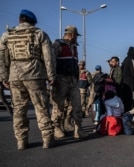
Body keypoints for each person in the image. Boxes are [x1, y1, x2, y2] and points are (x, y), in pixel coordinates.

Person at [0, 9, 56, 149]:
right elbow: (49, 57)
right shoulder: (39, 33)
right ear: (32, 21)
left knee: (19, 109)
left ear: (20, 19)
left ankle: (21, 141)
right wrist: (51, 75)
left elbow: (2, 58)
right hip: (35, 75)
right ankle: (47, 139)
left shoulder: (7, 35)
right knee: (41, 107)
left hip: (15, 76)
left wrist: (3, 76)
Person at [50, 25, 88, 139]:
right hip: (61, 79)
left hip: (73, 80)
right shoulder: (58, 44)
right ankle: (57, 127)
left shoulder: (74, 47)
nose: (77, 38)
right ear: (72, 35)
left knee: (77, 105)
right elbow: (51, 61)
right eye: (76, 35)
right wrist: (52, 78)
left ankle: (78, 129)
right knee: (59, 105)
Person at [121, 46, 134, 112]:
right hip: (132, 84)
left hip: (125, 84)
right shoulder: (131, 60)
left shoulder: (125, 60)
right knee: (133, 100)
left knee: (126, 100)